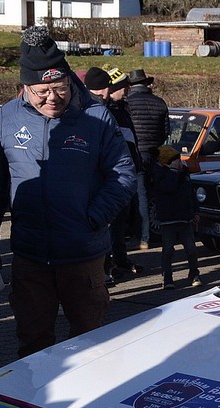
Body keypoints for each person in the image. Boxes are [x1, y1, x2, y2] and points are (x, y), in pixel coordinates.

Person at [0, 27, 135, 359]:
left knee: (90, 346)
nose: (52, 98)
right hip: (30, 256)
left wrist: (93, 218)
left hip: (83, 256)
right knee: (33, 345)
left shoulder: (96, 117)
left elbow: (123, 174)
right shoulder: (8, 117)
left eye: (60, 87)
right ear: (24, 87)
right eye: (42, 91)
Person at [98, 65, 142, 281]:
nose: (127, 91)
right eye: (123, 87)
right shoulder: (107, 113)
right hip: (112, 176)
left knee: (121, 222)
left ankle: (120, 259)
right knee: (111, 223)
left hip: (127, 172)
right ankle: (109, 264)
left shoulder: (122, 109)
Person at [124, 68, 167, 250]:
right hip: (155, 153)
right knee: (152, 194)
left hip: (135, 153)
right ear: (147, 84)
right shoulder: (160, 102)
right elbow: (166, 132)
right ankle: (156, 233)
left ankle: (142, 237)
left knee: (139, 195)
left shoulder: (128, 103)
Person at [151, 147, 199, 289]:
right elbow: (168, 188)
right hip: (168, 219)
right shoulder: (161, 174)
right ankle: (167, 277)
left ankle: (194, 273)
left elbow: (191, 194)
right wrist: (173, 172)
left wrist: (196, 212)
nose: (180, 162)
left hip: (185, 218)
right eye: (177, 160)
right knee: (168, 250)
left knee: (191, 248)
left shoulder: (185, 174)